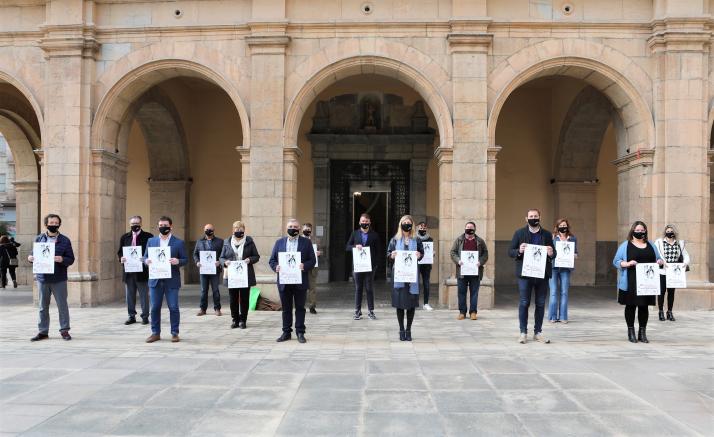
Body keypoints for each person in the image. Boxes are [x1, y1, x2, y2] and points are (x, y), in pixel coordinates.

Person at [508, 208, 555, 344]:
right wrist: (519, 250)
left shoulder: (546, 234)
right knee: (524, 302)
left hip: (542, 274)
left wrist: (552, 253)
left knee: (540, 303)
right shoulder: (519, 233)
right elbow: (510, 251)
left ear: (540, 217)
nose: (533, 218)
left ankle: (538, 332)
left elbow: (554, 253)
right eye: (531, 216)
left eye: (536, 216)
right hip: (525, 274)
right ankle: (523, 332)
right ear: (526, 218)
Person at [613, 221, 664, 343]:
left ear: (645, 231)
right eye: (638, 230)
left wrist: (660, 262)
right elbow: (616, 261)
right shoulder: (626, 245)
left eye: (642, 230)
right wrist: (627, 263)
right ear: (632, 231)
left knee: (644, 306)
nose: (640, 232)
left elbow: (659, 258)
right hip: (631, 281)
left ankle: (642, 332)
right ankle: (631, 331)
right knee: (631, 306)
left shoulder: (651, 245)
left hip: (647, 282)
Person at [28, 214, 75, 341]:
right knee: (43, 306)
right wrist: (30, 258)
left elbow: (71, 259)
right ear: (46, 224)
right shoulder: (39, 239)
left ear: (59, 224)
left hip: (59, 278)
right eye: (51, 222)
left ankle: (64, 330)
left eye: (56, 223)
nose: (53, 225)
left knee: (62, 306)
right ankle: (43, 331)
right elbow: (33, 255)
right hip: (42, 279)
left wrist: (62, 259)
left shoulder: (65, 240)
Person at [269, 218, 316, 343]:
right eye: (290, 226)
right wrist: (276, 267)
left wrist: (304, 266)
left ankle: (300, 332)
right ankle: (286, 332)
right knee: (286, 308)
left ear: (299, 229)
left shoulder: (306, 243)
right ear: (286, 228)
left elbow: (312, 260)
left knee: (300, 308)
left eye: (295, 227)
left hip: (300, 280)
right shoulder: (279, 242)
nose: (293, 229)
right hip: (284, 281)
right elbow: (272, 260)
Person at [143, 216, 188, 343]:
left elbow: (185, 259)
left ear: (171, 226)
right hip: (155, 280)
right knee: (155, 307)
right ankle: (155, 333)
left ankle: (175, 333)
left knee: (173, 307)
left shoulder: (178, 243)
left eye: (165, 225)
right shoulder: (151, 241)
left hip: (171, 280)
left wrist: (177, 261)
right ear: (158, 226)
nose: (163, 227)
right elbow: (144, 257)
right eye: (161, 225)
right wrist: (146, 261)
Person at [387, 215, 424, 341]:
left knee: (411, 304)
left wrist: (419, 255)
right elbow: (388, 254)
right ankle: (401, 330)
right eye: (404, 222)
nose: (407, 225)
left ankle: (408, 330)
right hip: (399, 277)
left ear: (412, 225)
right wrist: (391, 255)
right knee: (400, 304)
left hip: (412, 277)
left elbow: (422, 253)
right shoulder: (395, 239)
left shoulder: (417, 239)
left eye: (409, 223)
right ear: (400, 224)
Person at [220, 221, 260, 329]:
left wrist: (249, 259)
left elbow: (256, 256)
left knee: (244, 298)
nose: (239, 231)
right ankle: (235, 320)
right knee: (233, 299)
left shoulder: (249, 241)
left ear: (244, 230)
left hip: (245, 275)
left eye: (241, 229)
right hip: (232, 275)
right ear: (233, 230)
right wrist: (225, 262)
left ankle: (243, 320)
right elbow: (221, 257)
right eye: (236, 229)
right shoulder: (226, 242)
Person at [117, 215, 153, 325]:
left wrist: (147, 260)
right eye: (132, 224)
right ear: (130, 224)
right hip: (129, 272)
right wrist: (121, 258)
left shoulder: (148, 236)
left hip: (142, 272)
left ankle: (145, 316)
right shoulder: (125, 237)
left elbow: (151, 252)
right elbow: (120, 252)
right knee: (129, 296)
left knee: (143, 296)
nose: (135, 225)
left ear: (141, 224)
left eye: (137, 223)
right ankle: (131, 316)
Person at [346, 213, 382, 320]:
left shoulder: (374, 235)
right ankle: (357, 311)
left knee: (369, 288)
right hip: (357, 266)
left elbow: (378, 251)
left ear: (369, 222)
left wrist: (375, 265)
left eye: (366, 221)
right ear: (359, 222)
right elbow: (347, 247)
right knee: (358, 288)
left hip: (370, 266)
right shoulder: (355, 234)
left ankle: (371, 311)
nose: (364, 223)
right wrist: (354, 246)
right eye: (363, 221)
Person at [450, 221, 489, 320]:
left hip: (475, 271)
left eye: (471, 227)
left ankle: (473, 312)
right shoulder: (459, 240)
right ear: (464, 229)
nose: (469, 229)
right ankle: (462, 312)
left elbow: (485, 253)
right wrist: (458, 260)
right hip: (462, 271)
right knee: (461, 292)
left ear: (475, 229)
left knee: (474, 293)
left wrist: (480, 262)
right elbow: (453, 252)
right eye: (467, 227)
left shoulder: (480, 241)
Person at [654, 224, 690, 322]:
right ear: (665, 232)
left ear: (674, 233)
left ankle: (669, 312)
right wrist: (663, 262)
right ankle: (660, 311)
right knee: (661, 292)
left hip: (673, 272)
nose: (669, 233)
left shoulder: (679, 243)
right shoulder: (659, 242)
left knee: (671, 293)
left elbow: (685, 255)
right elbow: (658, 254)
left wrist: (685, 263)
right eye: (668, 231)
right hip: (663, 271)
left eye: (671, 231)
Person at [548, 218, 578, 324]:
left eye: (564, 225)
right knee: (553, 292)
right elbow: (549, 253)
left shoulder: (573, 238)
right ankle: (552, 316)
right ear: (557, 227)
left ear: (567, 226)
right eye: (560, 225)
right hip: (553, 268)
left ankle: (563, 316)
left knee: (564, 292)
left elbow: (576, 253)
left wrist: (574, 255)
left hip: (566, 268)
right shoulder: (552, 238)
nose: (563, 227)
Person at [193, 223, 224, 317]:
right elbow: (195, 254)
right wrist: (197, 262)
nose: (208, 231)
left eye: (210, 229)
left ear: (214, 230)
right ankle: (203, 309)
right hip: (203, 270)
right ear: (204, 230)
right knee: (203, 290)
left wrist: (219, 261)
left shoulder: (220, 241)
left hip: (215, 270)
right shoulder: (199, 241)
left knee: (215, 290)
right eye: (207, 229)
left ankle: (217, 309)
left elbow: (223, 254)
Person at [302, 223, 321, 314]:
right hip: (301, 267)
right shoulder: (298, 239)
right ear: (302, 229)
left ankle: (312, 306)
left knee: (312, 288)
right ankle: (301, 306)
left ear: (311, 230)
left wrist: (319, 253)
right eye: (305, 229)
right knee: (301, 288)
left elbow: (322, 250)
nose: (307, 231)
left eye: (309, 229)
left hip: (313, 268)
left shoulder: (316, 240)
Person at [416, 221, 434, 311]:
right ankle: (414, 302)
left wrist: (432, 254)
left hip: (426, 264)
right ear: (417, 228)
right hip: (416, 263)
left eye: (424, 228)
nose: (422, 229)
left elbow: (430, 250)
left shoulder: (430, 239)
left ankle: (426, 303)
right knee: (415, 283)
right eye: (421, 228)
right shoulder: (414, 238)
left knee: (426, 284)